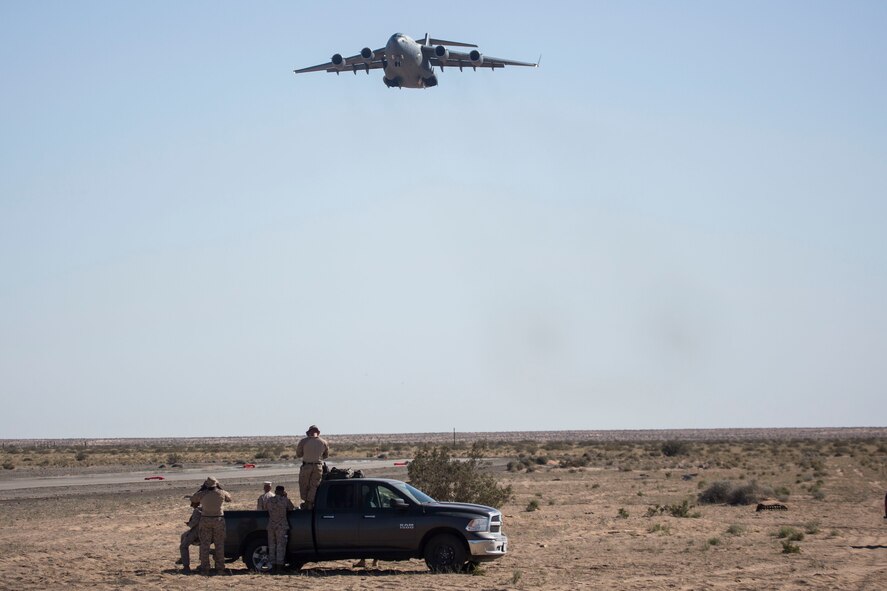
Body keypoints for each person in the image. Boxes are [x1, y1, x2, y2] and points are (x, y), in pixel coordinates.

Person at [190, 476, 232, 575]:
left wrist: (202, 489)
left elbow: (193, 499)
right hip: (218, 519)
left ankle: (205, 568)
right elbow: (229, 498)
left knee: (205, 544)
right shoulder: (222, 493)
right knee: (219, 545)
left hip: (206, 519)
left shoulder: (202, 494)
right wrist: (220, 488)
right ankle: (220, 568)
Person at [296, 425, 329, 509]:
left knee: (304, 484)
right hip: (318, 467)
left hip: (307, 466)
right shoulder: (324, 442)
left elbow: (299, 454)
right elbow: (325, 456)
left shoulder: (303, 441)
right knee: (314, 486)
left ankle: (306, 503)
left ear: (309, 432)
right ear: (318, 432)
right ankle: (310, 503)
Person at [265, 484, 295, 571]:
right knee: (280, 547)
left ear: (275, 492)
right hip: (281, 526)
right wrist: (285, 496)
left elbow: (265, 508)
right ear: (282, 492)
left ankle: (272, 566)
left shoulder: (270, 500)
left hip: (271, 526)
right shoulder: (285, 500)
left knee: (271, 546)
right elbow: (291, 508)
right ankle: (279, 566)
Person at [176, 504, 201, 573]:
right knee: (183, 536)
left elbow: (194, 523)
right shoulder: (211, 509)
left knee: (183, 546)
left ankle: (186, 566)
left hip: (197, 531)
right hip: (210, 531)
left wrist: (189, 524)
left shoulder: (198, 510)